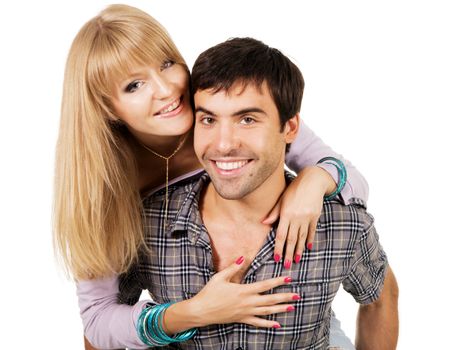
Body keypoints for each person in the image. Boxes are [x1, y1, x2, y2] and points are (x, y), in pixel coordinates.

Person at [53, 4, 368, 349]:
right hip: (186, 321)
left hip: (293, 317)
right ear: (107, 107)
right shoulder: (104, 186)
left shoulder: (225, 104)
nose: (166, 90)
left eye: (166, 64)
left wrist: (315, 180)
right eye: (134, 85)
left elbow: (353, 183)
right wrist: (193, 312)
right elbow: (97, 320)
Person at [116, 37, 399, 349]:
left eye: (247, 119)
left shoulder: (343, 224)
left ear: (290, 128)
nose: (223, 144)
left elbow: (380, 299)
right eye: (209, 119)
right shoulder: (147, 224)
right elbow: (102, 323)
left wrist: (318, 177)